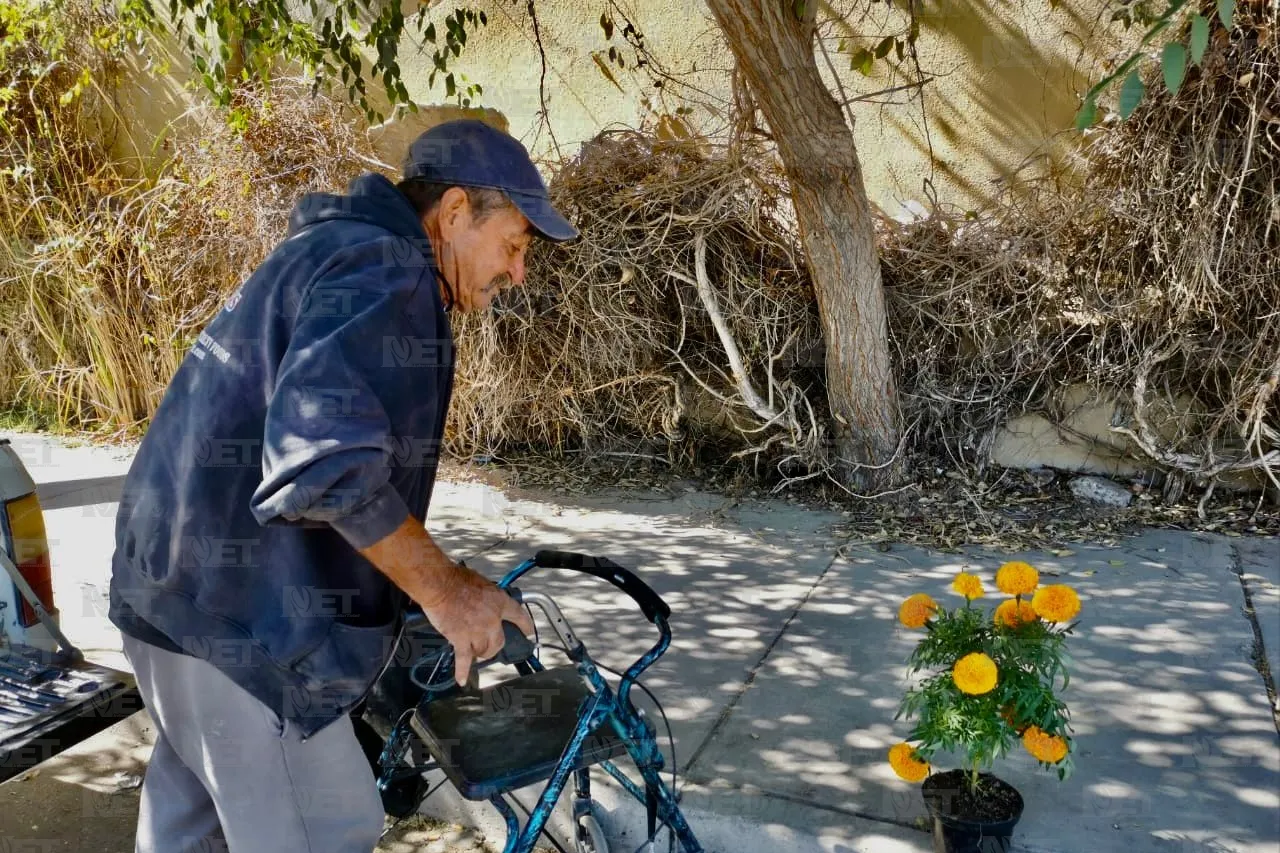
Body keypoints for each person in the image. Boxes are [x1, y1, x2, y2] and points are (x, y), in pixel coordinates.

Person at [107, 119, 578, 853]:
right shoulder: (389, 269)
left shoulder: (333, 248)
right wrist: (444, 590)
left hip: (172, 603)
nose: (517, 272)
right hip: (250, 636)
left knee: (191, 832)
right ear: (454, 213)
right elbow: (320, 457)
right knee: (325, 828)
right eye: (512, 245)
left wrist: (419, 575)